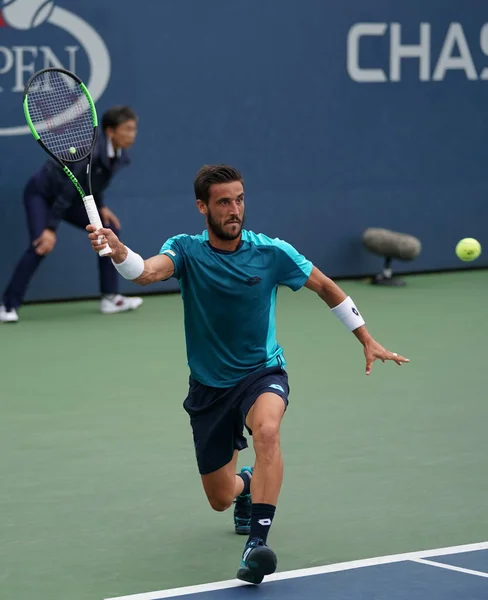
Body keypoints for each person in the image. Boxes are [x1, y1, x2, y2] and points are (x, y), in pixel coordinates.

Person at [86, 164, 409, 585]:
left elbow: (327, 287)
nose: (234, 209)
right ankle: (247, 485)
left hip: (262, 372)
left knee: (268, 431)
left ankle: (257, 543)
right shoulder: (185, 250)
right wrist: (118, 250)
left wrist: (365, 337)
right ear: (202, 207)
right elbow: (145, 272)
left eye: (239, 199)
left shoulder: (272, 253)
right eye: (223, 202)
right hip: (209, 387)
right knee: (220, 498)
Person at [0, 106, 143, 323]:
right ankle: (7, 305)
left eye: (134, 129)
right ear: (111, 131)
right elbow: (66, 192)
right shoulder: (91, 153)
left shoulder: (120, 154)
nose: (133, 134)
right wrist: (50, 228)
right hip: (43, 194)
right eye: (128, 129)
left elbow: (95, 184)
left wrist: (101, 206)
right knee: (41, 245)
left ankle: (110, 298)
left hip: (72, 198)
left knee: (108, 231)